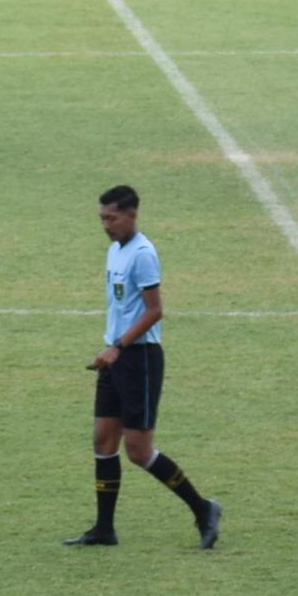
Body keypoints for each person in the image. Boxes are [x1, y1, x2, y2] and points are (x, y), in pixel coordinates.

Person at [70, 185, 219, 550]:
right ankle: (104, 528)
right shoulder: (114, 249)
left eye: (112, 218)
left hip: (139, 359)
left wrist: (119, 346)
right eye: (102, 218)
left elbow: (155, 311)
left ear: (132, 215)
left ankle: (204, 509)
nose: (106, 225)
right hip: (114, 357)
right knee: (104, 440)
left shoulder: (143, 254)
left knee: (138, 450)